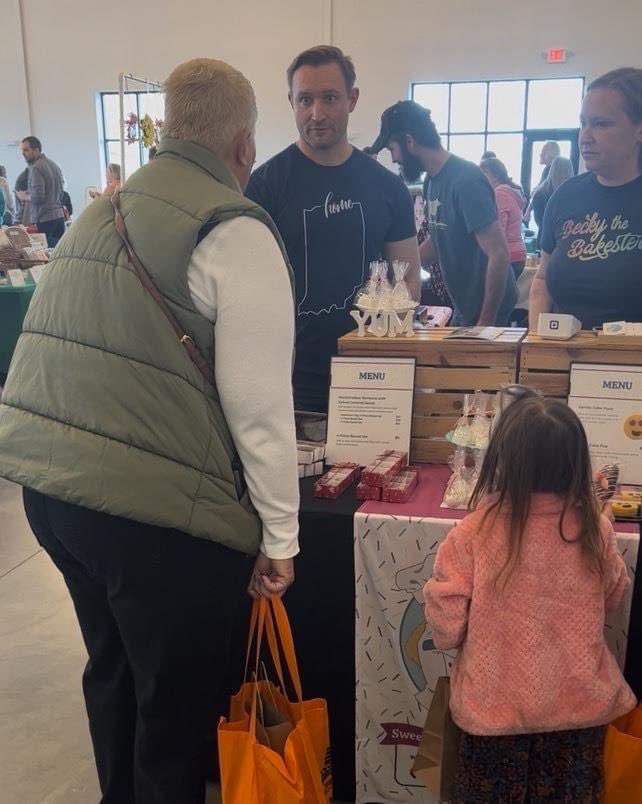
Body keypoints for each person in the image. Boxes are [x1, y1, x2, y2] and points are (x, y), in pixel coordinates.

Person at [0, 58, 299, 803]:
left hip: (51, 495)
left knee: (114, 671)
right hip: (151, 515)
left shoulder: (103, 210)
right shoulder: (233, 227)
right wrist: (281, 537)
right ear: (244, 147)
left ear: (167, 128)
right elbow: (260, 405)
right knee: (172, 710)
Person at [424, 395, 636, 802]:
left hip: (491, 715)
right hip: (578, 714)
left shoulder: (472, 534)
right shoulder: (594, 529)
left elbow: (447, 629)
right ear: (577, 461)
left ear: (500, 458)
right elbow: (613, 596)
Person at [246, 45, 420, 412]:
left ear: (352, 99)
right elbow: (249, 288)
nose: (317, 113)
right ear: (291, 101)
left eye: (329, 98)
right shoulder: (264, 187)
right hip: (289, 383)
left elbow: (407, 282)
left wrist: (391, 356)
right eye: (305, 100)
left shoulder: (388, 188)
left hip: (371, 376)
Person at [371, 100, 516, 326]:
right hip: (465, 306)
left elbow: (499, 254)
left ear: (409, 141)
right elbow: (438, 240)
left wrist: (485, 323)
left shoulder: (466, 181)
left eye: (392, 149)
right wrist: (399, 273)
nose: (393, 159)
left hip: (489, 309)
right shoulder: (432, 180)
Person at [530, 67, 642, 330]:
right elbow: (543, 279)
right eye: (583, 123)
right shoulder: (565, 196)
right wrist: (536, 349)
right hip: (565, 357)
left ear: (639, 130)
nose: (586, 137)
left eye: (602, 124)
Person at [480, 157, 527, 277]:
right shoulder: (510, 192)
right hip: (517, 253)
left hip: (509, 255)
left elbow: (500, 231)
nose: (480, 179)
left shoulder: (500, 193)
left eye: (484, 174)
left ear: (495, 176)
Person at [18, 136, 66, 247]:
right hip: (58, 216)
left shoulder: (36, 168)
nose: (23, 153)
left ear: (36, 150)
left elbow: (38, 197)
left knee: (47, 253)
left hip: (45, 218)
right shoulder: (54, 165)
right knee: (59, 253)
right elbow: (61, 191)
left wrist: (24, 197)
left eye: (26, 150)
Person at [530, 156, 575, 243]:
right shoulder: (574, 192)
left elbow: (539, 221)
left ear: (551, 170)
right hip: (569, 240)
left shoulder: (540, 193)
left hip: (546, 240)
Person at [523, 140, 561, 224]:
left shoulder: (549, 170)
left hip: (544, 218)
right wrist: (528, 211)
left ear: (549, 154)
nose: (540, 155)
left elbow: (538, 192)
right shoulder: (552, 170)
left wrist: (528, 211)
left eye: (543, 152)